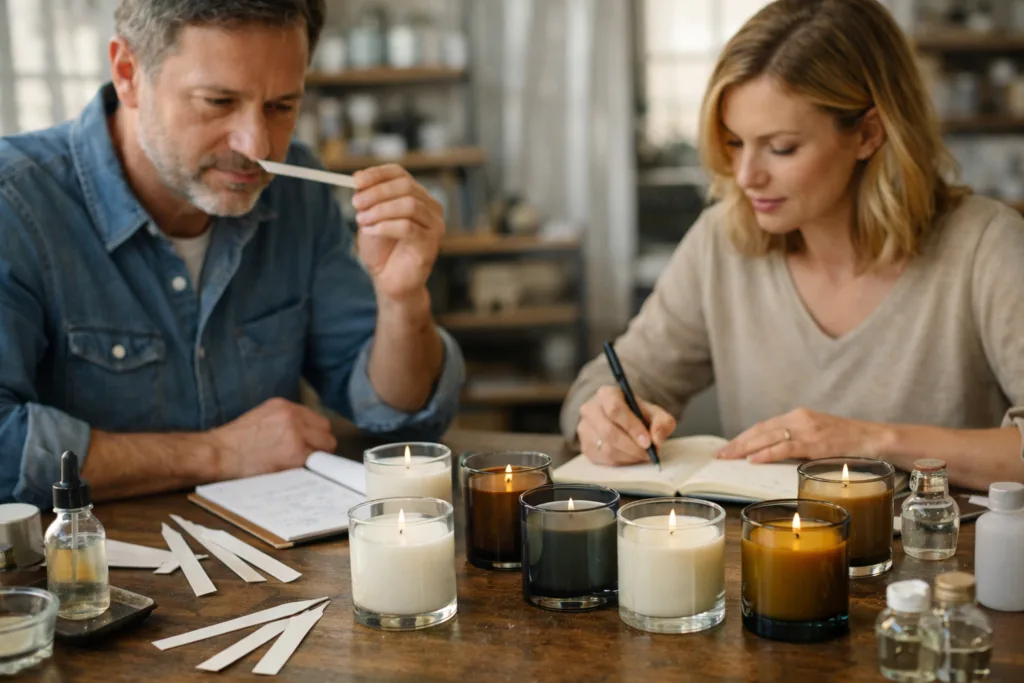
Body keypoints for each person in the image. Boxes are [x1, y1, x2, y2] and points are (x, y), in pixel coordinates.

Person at [0, 0, 466, 508]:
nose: (256, 145)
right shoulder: (16, 205)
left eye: (281, 106)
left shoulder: (297, 196)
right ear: (128, 72)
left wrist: (401, 299)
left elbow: (395, 409)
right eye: (218, 101)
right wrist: (216, 454)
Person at [562, 0, 1024, 491]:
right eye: (735, 142)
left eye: (781, 147)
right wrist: (605, 419)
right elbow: (597, 390)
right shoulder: (722, 243)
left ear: (868, 133)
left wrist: (871, 441)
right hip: (767, 560)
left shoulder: (984, 246)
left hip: (943, 563)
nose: (745, 176)